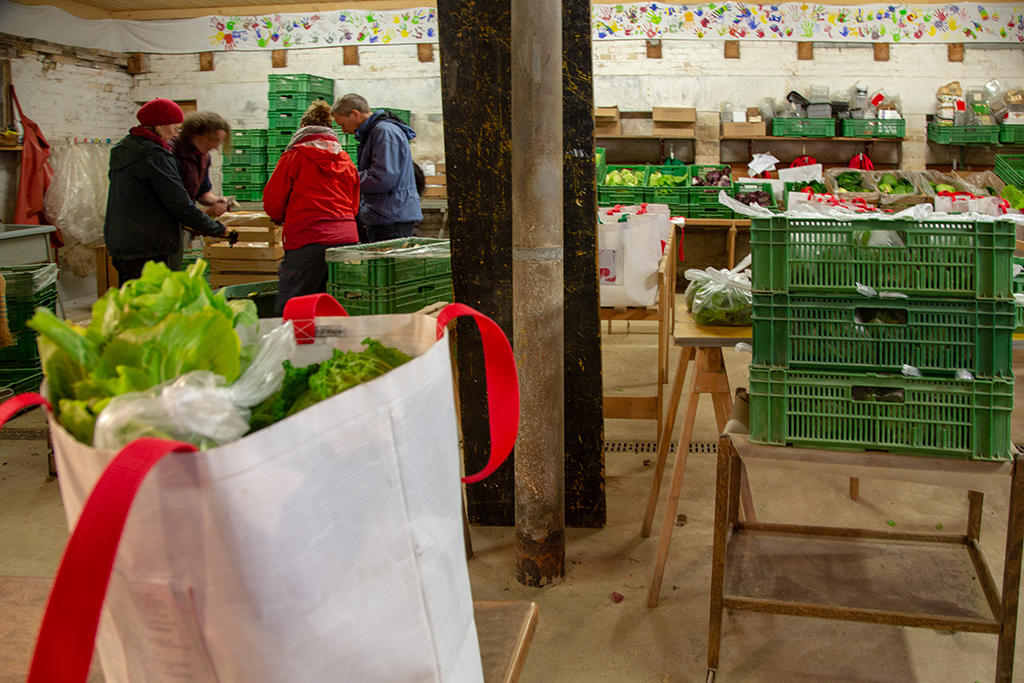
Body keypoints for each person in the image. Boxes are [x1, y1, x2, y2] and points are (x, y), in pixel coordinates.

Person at [103, 98, 233, 283]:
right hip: (149, 243)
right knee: (152, 303)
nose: (175, 133)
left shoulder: (128, 149)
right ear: (161, 125)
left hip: (130, 241)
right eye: (174, 127)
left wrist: (213, 205)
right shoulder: (156, 156)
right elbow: (178, 204)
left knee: (136, 300)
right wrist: (217, 228)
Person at [263, 100, 360, 315]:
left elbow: (273, 203)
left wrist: (281, 216)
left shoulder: (294, 156)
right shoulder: (346, 160)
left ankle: (293, 346)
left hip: (308, 239)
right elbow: (353, 206)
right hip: (346, 240)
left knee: (293, 305)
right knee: (334, 306)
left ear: (302, 130)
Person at [331, 94, 422, 243]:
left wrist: (347, 179)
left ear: (355, 114)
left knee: (389, 265)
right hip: (385, 214)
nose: (344, 130)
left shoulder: (384, 132)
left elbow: (383, 178)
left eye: (342, 124)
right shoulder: (375, 132)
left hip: (391, 217)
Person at [171, 111, 231, 217]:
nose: (216, 146)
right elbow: (175, 202)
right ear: (196, 134)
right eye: (213, 140)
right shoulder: (172, 153)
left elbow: (202, 192)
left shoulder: (203, 157)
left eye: (219, 142)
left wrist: (217, 201)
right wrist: (207, 212)